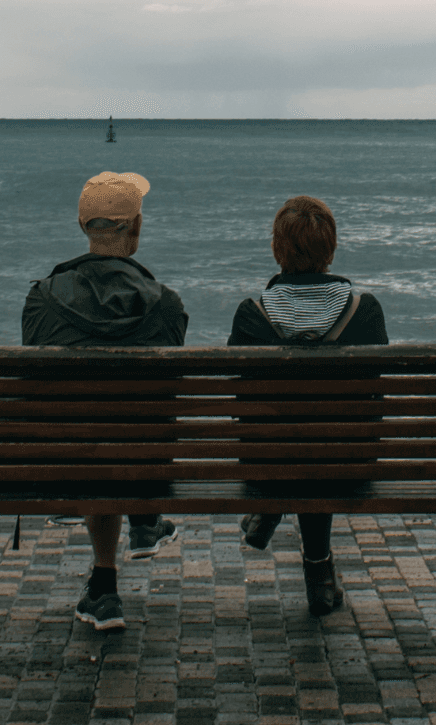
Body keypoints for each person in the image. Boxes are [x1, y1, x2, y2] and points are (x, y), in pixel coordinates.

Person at [22, 170, 186, 632]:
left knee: (92, 431)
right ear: (135, 229)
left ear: (82, 227)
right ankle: (144, 521)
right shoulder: (167, 306)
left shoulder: (41, 301)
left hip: (65, 460)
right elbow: (165, 397)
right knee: (120, 432)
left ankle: (105, 584)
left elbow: (38, 390)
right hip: (144, 462)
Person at [226, 195, 388, 616]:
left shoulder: (250, 315)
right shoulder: (365, 312)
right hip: (349, 462)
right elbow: (377, 400)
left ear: (278, 250)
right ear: (331, 250)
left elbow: (238, 405)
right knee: (322, 437)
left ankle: (274, 503)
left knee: (291, 437)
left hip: (267, 462)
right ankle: (318, 571)